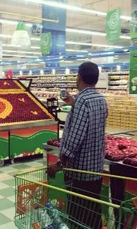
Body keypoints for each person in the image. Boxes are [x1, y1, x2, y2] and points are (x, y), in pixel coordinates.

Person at [48, 62, 108, 229]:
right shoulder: (101, 100)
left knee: (78, 216)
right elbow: (91, 124)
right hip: (95, 169)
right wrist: (73, 102)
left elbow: (75, 139)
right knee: (93, 211)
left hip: (79, 172)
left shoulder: (82, 100)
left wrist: (59, 164)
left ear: (79, 77)